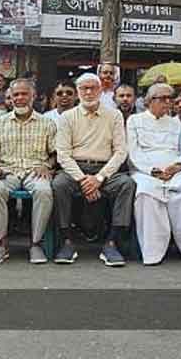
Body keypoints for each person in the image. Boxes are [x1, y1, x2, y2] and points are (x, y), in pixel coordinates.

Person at [53, 73, 134, 266]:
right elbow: (63, 154)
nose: (88, 92)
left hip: (105, 170)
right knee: (58, 184)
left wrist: (99, 178)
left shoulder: (114, 115)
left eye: (93, 88)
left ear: (101, 90)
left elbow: (121, 151)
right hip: (76, 170)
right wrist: (83, 180)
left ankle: (112, 242)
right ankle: (67, 241)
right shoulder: (67, 117)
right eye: (84, 88)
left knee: (127, 184)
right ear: (78, 92)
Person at [126, 83, 181, 266]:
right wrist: (153, 171)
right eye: (162, 98)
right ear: (149, 100)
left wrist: (178, 166)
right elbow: (134, 152)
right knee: (145, 193)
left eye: (169, 99)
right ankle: (153, 252)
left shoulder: (178, 125)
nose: (167, 102)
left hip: (174, 170)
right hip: (145, 171)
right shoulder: (134, 121)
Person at [0, 79, 56, 265]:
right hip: (7, 171)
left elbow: (55, 154)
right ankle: (2, 244)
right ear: (10, 98)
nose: (20, 98)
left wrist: (47, 166)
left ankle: (35, 243)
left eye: (24, 94)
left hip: (35, 170)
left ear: (33, 96)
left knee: (44, 191)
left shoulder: (47, 123)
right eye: (15, 95)